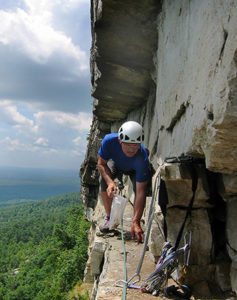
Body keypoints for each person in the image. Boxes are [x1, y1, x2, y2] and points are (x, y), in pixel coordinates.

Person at [97, 121, 150, 243]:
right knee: (103, 181)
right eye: (128, 145)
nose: (132, 149)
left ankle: (137, 220)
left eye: (135, 145)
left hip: (134, 168)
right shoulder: (109, 141)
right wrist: (110, 182)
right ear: (120, 141)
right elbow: (101, 164)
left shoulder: (142, 158)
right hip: (115, 163)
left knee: (143, 189)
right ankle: (110, 219)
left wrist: (135, 221)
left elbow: (140, 192)